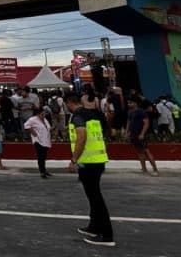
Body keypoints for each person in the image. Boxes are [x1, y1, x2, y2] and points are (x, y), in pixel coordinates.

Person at [66, 93, 115, 247]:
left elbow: (82, 136)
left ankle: (107, 235)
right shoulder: (92, 114)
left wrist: (73, 160)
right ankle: (94, 226)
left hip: (88, 163)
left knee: (95, 198)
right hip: (98, 160)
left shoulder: (77, 116)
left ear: (68, 103)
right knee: (92, 196)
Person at [125, 97, 159, 176]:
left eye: (130, 103)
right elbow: (128, 122)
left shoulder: (141, 111)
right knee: (139, 152)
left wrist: (142, 134)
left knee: (146, 152)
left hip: (140, 135)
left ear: (135, 103)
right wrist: (127, 132)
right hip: (133, 135)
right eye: (128, 103)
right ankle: (144, 170)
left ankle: (155, 170)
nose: (128, 104)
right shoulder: (130, 112)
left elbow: (146, 123)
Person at [24, 107, 52, 178]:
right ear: (38, 114)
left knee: (44, 156)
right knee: (41, 156)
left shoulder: (45, 119)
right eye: (42, 114)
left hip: (45, 140)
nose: (44, 115)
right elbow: (26, 125)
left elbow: (48, 127)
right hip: (38, 140)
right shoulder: (32, 119)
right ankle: (42, 172)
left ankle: (44, 170)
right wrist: (32, 131)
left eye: (44, 114)